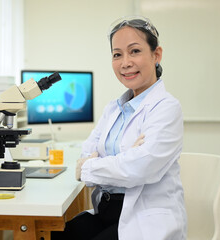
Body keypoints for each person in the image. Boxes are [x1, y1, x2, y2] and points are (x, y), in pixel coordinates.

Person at [51, 16, 187, 240]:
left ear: (156, 55)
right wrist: (124, 158)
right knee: (56, 235)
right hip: (107, 210)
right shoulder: (113, 109)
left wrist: (92, 166)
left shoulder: (167, 108)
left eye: (134, 51)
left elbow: (141, 167)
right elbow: (87, 153)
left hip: (145, 218)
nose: (125, 62)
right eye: (117, 54)